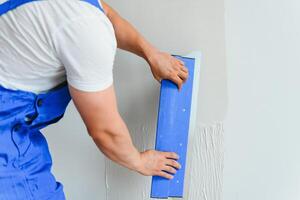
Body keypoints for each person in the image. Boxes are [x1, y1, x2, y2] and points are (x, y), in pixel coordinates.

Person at [0, 0, 189, 199]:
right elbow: (105, 131)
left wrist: (150, 52)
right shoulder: (84, 28)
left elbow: (107, 13)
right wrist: (139, 161)